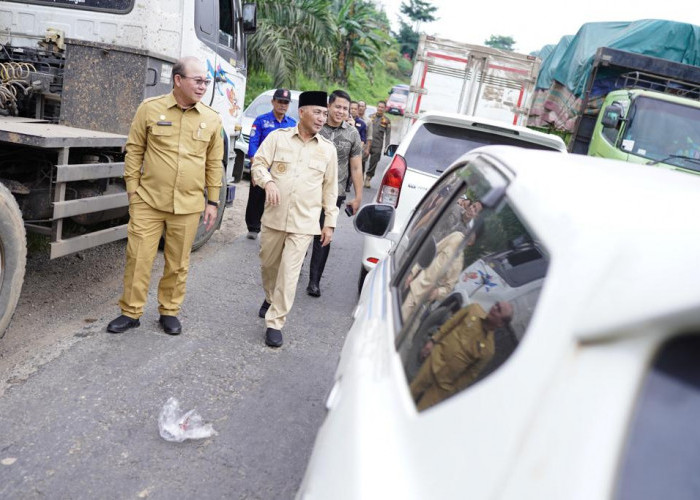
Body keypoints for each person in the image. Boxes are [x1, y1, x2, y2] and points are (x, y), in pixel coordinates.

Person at [106, 56, 223, 336]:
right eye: (197, 80)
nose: (203, 86)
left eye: (205, 81)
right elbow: (134, 150)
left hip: (188, 204)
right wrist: (132, 188)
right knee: (138, 258)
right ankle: (130, 312)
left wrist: (213, 201)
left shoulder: (211, 119)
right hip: (148, 201)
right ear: (178, 80)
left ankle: (169, 311)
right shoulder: (149, 109)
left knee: (178, 262)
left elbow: (214, 163)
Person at [252, 91, 338, 348]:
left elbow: (330, 189)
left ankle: (275, 321)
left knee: (289, 274)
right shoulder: (277, 139)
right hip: (274, 218)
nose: (322, 118)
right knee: (269, 267)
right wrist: (267, 182)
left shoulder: (327, 150)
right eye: (318, 112)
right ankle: (270, 296)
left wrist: (329, 222)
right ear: (301, 113)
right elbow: (258, 164)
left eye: (325, 113)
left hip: (304, 223)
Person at [306, 90, 363, 298]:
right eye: (337, 106)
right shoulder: (315, 126)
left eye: (345, 108)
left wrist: (358, 196)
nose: (341, 111)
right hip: (308, 189)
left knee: (324, 235)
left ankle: (314, 281)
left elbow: (356, 167)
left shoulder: (352, 134)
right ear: (329, 106)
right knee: (301, 232)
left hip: (334, 194)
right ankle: (292, 271)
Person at [409, 301, 514, 411]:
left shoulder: (488, 349)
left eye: (499, 310)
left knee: (422, 411)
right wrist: (432, 341)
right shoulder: (473, 310)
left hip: (444, 385)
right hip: (435, 360)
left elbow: (470, 375)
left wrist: (451, 390)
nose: (494, 308)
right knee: (411, 392)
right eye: (496, 304)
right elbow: (450, 324)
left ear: (501, 324)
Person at [244, 89, 296, 240]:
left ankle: (274, 229)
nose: (282, 105)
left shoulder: (292, 124)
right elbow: (253, 145)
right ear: (273, 102)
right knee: (256, 198)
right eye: (279, 101)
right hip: (263, 168)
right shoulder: (261, 121)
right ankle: (253, 227)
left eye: (285, 102)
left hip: (282, 171)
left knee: (277, 200)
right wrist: (256, 170)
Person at [364, 100, 392, 188]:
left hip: (377, 145)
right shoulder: (370, 117)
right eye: (379, 107)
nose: (380, 108)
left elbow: (388, 135)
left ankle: (368, 178)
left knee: (374, 163)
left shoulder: (387, 121)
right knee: (362, 160)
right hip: (367, 143)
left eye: (382, 107)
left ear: (385, 109)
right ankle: (360, 175)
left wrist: (387, 147)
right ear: (377, 107)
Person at [357, 100, 371, 177]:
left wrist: (367, 149)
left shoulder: (368, 121)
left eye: (363, 106)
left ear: (365, 108)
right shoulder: (351, 118)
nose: (361, 108)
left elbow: (369, 136)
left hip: (362, 146)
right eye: (359, 106)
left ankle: (360, 181)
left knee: (361, 165)